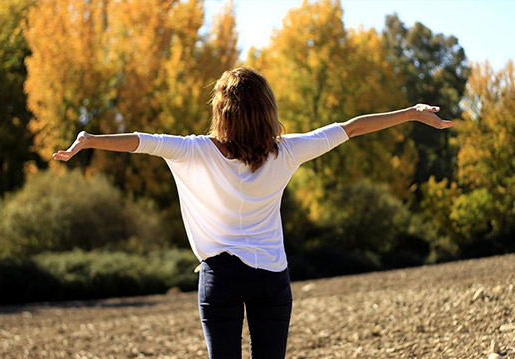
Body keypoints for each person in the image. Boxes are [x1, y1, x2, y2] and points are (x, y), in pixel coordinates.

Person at [53, 67, 454, 359]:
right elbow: (350, 128)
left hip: (220, 278)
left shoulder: (195, 150)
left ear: (221, 111)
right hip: (271, 278)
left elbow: (141, 142)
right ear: (267, 109)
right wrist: (411, 112)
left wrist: (89, 141)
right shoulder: (288, 151)